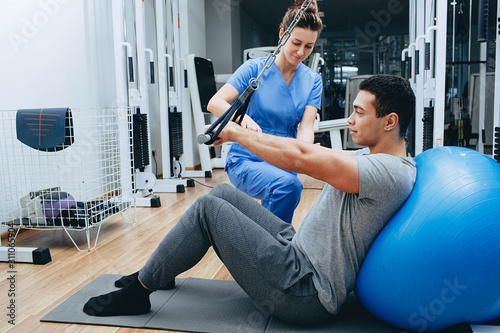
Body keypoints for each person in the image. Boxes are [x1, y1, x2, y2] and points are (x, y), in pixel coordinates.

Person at [83, 75, 417, 326]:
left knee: (208, 209)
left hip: (305, 289)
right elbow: (310, 151)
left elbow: (302, 158)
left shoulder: (387, 172)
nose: (350, 119)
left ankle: (140, 291)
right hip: (298, 250)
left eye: (359, 113)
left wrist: (234, 132)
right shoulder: (376, 159)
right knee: (224, 193)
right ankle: (160, 269)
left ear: (390, 121)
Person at [206, 0, 324, 223]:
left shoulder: (313, 81)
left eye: (308, 47)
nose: (301, 52)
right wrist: (242, 118)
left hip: (284, 156)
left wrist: (306, 151)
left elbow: (306, 126)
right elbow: (215, 103)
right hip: (247, 156)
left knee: (282, 198)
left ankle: (267, 248)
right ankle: (275, 249)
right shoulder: (254, 69)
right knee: (288, 187)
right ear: (282, 34)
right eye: (296, 43)